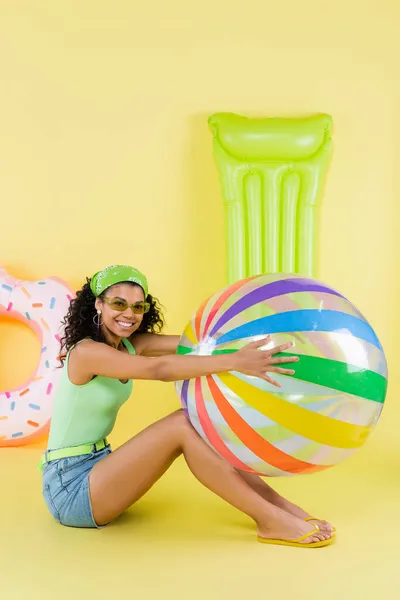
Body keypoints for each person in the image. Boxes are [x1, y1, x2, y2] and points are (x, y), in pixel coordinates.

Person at [40, 264, 335, 547]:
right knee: (182, 422)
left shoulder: (130, 344)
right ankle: (270, 520)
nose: (129, 314)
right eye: (118, 304)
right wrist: (236, 362)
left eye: (138, 307)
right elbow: (159, 370)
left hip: (99, 466)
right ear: (98, 305)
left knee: (197, 421)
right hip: (69, 487)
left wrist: (269, 340)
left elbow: (198, 344)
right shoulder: (86, 353)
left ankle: (279, 507)